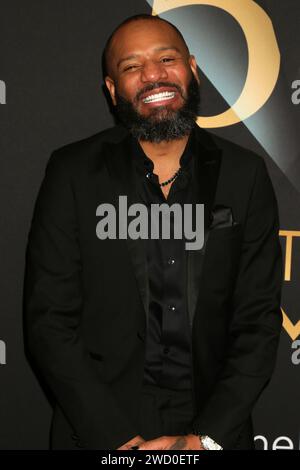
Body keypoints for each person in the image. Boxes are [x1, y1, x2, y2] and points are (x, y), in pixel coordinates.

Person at [23, 13, 283, 451]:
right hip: (100, 430)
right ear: (112, 90)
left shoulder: (246, 175)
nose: (153, 75)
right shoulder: (72, 172)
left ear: (192, 69)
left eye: (167, 58)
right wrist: (118, 441)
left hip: (211, 427)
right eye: (131, 66)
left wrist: (205, 439)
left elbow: (257, 321)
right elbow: (49, 321)